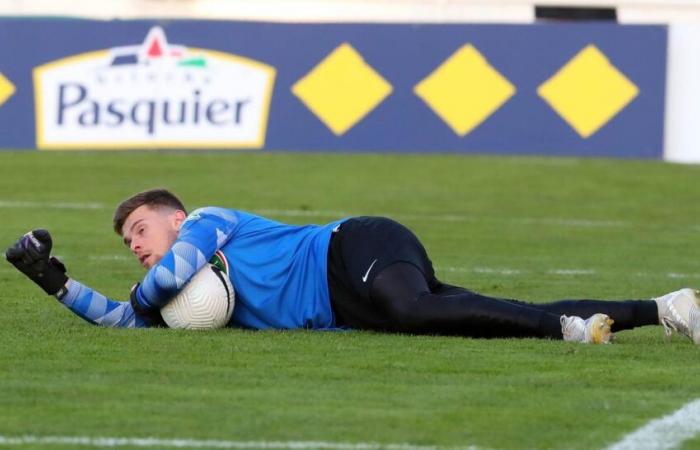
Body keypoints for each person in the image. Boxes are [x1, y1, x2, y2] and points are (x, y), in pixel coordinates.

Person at [5, 188, 700, 345]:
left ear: (174, 218)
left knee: (417, 311)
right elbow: (129, 320)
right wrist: (57, 283)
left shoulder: (208, 223)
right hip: (350, 304)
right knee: (467, 315)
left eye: (139, 228)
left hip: (353, 246)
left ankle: (572, 336)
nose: (135, 242)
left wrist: (145, 290)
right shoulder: (177, 281)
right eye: (127, 239)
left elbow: (154, 289)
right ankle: (667, 308)